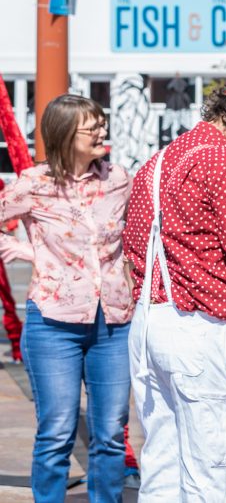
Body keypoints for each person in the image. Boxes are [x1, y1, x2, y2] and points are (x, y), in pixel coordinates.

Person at [122, 74, 226, 501]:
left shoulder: (159, 161)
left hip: (150, 326)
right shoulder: (225, 164)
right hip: (203, 334)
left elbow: (132, 257)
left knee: (162, 469)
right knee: (218, 474)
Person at [0, 94, 132, 503]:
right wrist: (26, 251)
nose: (101, 132)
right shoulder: (32, 184)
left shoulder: (119, 179)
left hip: (113, 323)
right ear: (62, 134)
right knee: (56, 431)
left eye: (101, 123)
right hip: (53, 325)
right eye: (90, 127)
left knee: (110, 431)